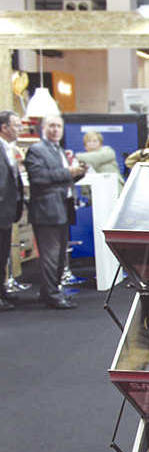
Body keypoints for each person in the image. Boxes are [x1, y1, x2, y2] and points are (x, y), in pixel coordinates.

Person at [24, 114, 85, 309]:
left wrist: (77, 174)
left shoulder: (59, 150)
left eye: (58, 126)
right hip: (46, 210)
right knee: (51, 256)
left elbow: (59, 179)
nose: (55, 130)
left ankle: (49, 290)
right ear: (43, 128)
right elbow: (39, 178)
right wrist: (69, 172)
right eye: (51, 126)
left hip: (62, 208)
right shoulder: (36, 150)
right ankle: (52, 294)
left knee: (59, 257)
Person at [0, 111, 25, 311]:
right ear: (4, 127)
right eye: (16, 125)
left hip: (7, 211)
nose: (20, 129)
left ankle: (2, 292)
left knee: (3, 254)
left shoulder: (9, 148)